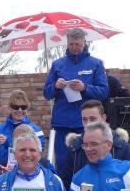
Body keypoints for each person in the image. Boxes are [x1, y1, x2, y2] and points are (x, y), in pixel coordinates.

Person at [42, 27, 108, 168]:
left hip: (87, 123)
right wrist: (55, 86)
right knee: (63, 163)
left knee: (87, 162)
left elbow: (104, 92)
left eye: (77, 44)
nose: (74, 47)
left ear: (84, 42)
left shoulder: (96, 64)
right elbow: (46, 93)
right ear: (67, 43)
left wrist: (85, 88)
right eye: (71, 44)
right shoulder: (57, 65)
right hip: (62, 123)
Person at [0, 89, 46, 170]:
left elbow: (37, 156)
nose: (20, 110)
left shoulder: (36, 131)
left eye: (23, 107)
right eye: (15, 107)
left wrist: (8, 144)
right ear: (10, 108)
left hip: (25, 173)